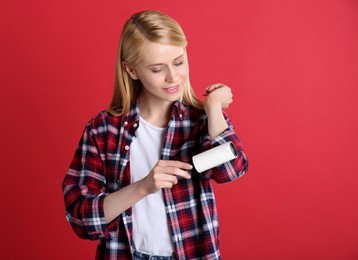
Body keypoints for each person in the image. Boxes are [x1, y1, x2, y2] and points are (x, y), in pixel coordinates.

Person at [62, 10, 248, 260]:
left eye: (179, 62)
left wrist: (212, 107)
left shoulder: (199, 122)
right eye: (158, 68)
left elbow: (231, 169)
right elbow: (81, 217)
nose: (173, 77)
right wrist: (143, 187)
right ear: (131, 70)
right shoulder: (103, 129)